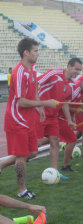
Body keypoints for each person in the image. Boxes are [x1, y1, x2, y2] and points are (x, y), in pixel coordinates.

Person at [4, 38, 57, 199]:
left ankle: (2, 164)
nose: (38, 54)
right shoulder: (19, 72)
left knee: (32, 152)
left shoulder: (32, 68)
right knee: (21, 155)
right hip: (17, 119)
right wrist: (45, 102)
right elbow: (21, 101)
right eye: (35, 50)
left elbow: (34, 89)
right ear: (26, 53)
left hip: (28, 118)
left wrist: (40, 107)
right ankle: (22, 191)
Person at [36, 58, 82, 173]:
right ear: (69, 66)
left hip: (53, 117)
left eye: (80, 70)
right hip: (40, 114)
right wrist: (40, 105)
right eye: (76, 69)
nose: (78, 72)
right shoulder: (54, 73)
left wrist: (69, 120)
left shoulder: (72, 85)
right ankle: (8, 162)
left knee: (55, 142)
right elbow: (35, 85)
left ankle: (54, 171)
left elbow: (64, 103)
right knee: (35, 146)